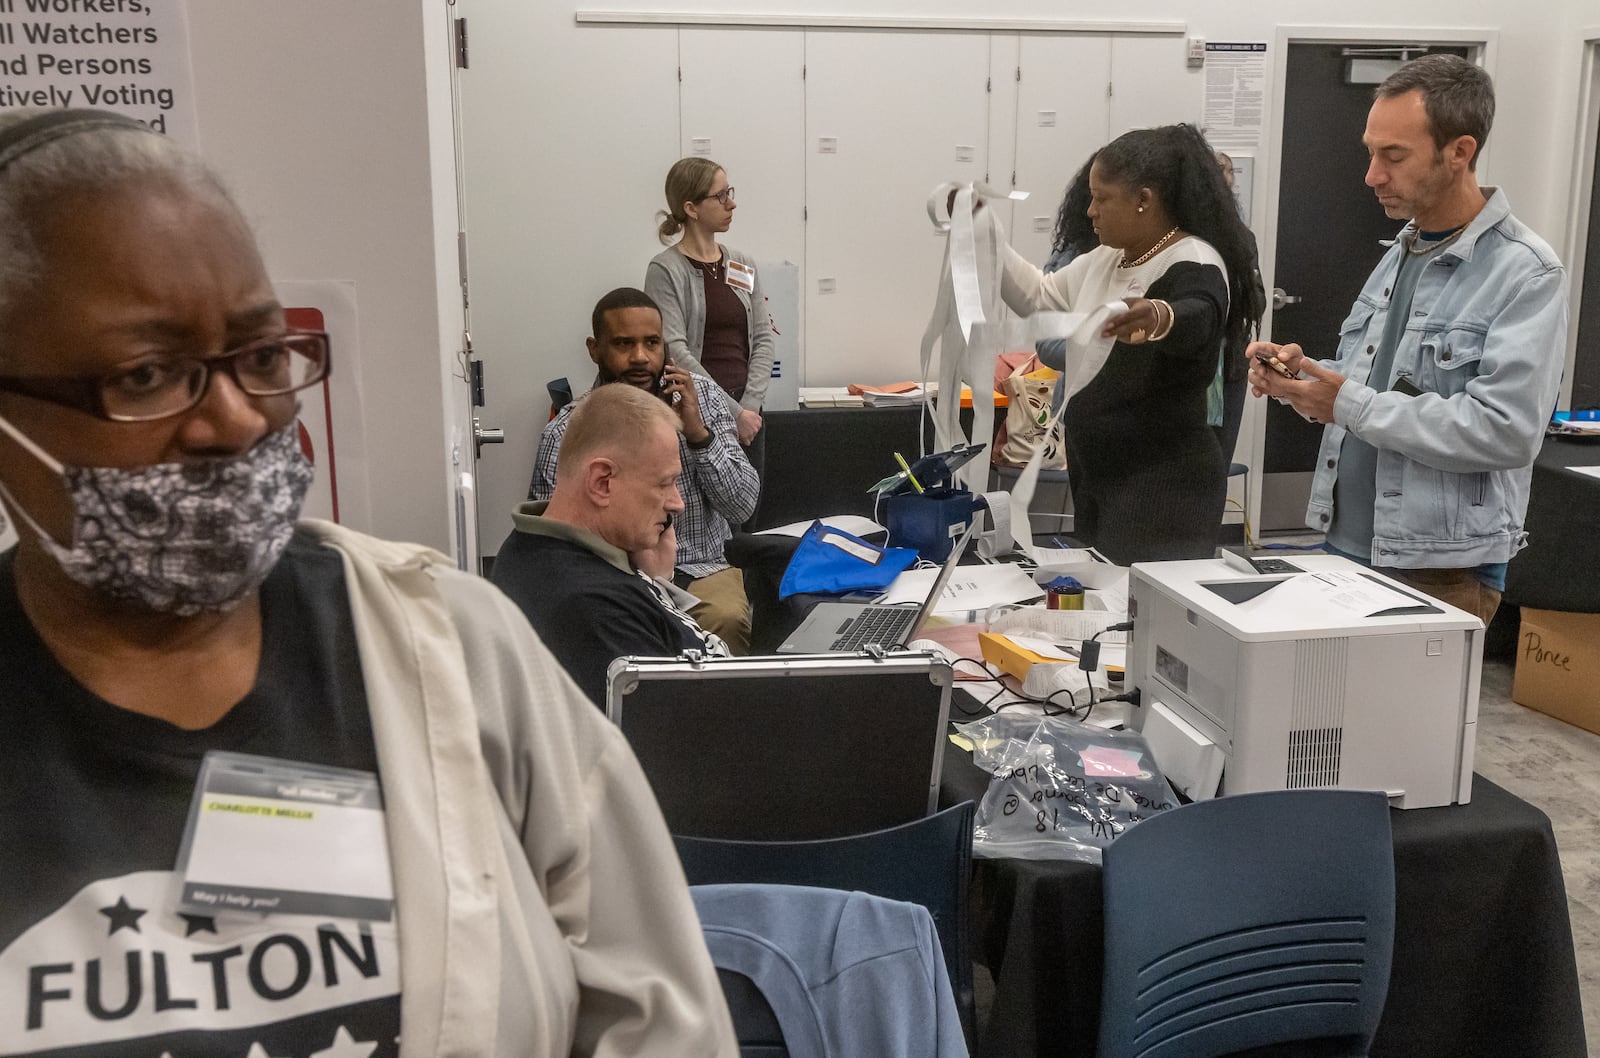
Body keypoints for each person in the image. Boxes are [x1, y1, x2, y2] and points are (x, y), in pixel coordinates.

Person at [0, 108, 737, 1056]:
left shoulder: (455, 645)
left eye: (263, 357)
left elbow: (658, 1014)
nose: (235, 419)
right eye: (146, 375)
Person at [1247, 55, 1566, 626]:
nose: (1372, 174)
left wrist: (1346, 401)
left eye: (1392, 156)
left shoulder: (1526, 272)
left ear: (1459, 152)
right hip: (1347, 544)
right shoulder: (1402, 250)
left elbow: (1507, 432)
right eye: (1371, 152)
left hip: (1439, 568)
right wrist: (1305, 381)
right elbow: (1373, 388)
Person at [996, 123, 1263, 564]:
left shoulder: (1193, 259)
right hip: (1102, 475)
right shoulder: (1107, 258)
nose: (1090, 212)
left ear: (1144, 200)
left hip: (1161, 489)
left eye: (1102, 198)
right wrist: (986, 238)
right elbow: (1041, 298)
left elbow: (1200, 312)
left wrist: (1161, 315)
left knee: (1141, 618)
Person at [530, 287, 759, 652]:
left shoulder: (703, 398)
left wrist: (698, 433)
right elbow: (552, 543)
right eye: (623, 344)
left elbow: (743, 506)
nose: (640, 357)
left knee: (724, 620)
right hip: (614, 574)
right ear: (595, 349)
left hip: (700, 567)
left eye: (652, 343)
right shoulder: (570, 431)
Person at [494, 384, 730, 707]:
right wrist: (655, 590)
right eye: (665, 483)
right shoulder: (594, 608)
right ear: (602, 482)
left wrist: (655, 581)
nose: (678, 504)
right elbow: (690, 728)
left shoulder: (525, 548)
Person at [644, 157, 774, 465]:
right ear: (691, 208)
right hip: (695, 411)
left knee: (748, 510)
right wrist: (732, 411)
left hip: (749, 414)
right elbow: (674, 349)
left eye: (729, 192)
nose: (732, 204)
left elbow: (763, 338)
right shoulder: (665, 269)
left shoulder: (742, 263)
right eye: (721, 196)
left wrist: (750, 407)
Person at [1034, 153, 1102, 415]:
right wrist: (1109, 350)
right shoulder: (1073, 259)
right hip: (1082, 409)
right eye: (1097, 198)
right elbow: (1048, 342)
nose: (1094, 211)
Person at [1212, 148, 1267, 468]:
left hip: (1229, 360)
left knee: (1218, 459)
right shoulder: (1176, 237)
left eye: (1228, 177)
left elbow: (1256, 303)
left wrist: (1239, 284)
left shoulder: (1242, 239)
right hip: (1192, 363)